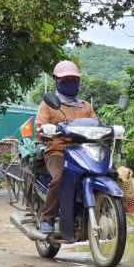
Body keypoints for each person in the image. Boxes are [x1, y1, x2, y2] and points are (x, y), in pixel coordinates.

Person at [35, 60, 96, 233]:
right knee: (60, 178)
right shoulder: (48, 104)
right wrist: (46, 130)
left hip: (84, 152)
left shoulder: (86, 106)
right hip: (58, 151)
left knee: (110, 172)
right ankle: (47, 218)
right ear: (56, 81)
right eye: (65, 79)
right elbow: (39, 129)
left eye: (73, 79)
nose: (69, 82)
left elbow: (95, 124)